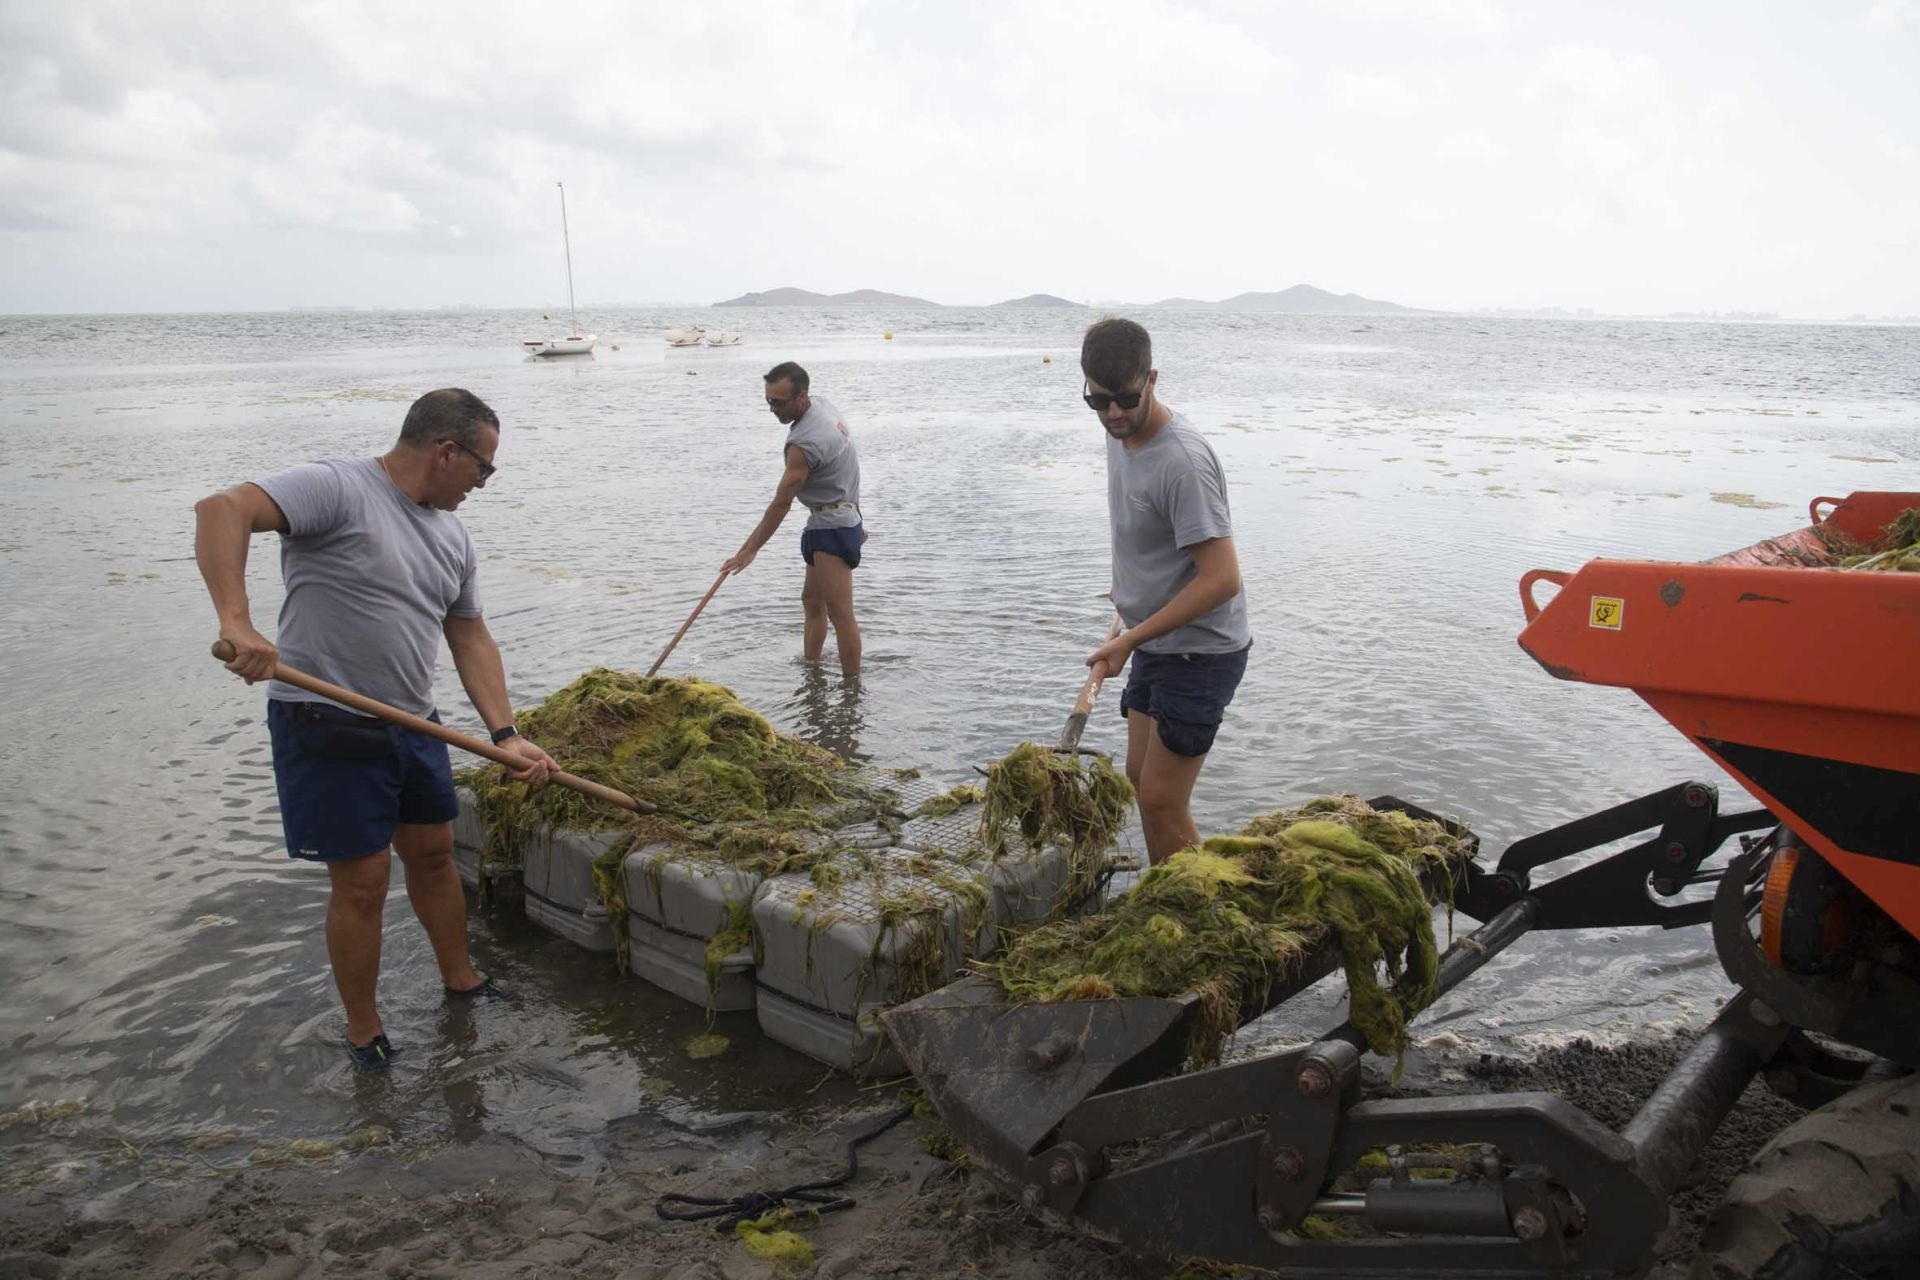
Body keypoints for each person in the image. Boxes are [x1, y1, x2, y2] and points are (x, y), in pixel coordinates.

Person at [193, 388, 555, 1072]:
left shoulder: (452, 536)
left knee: (434, 858)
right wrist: (237, 621)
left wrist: (505, 734)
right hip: (326, 721)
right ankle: (364, 1030)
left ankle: (462, 980)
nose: (483, 485)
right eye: (483, 470)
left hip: (415, 722)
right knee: (360, 884)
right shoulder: (338, 488)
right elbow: (222, 509)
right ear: (447, 452)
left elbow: (469, 634)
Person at [1079, 319, 1251, 865]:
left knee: (1160, 800)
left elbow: (1222, 580)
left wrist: (1130, 639)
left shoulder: (1182, 462)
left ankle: (1206, 920)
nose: (1113, 415)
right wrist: (1130, 592)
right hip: (1155, 640)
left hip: (1200, 651)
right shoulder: (1121, 433)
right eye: (1099, 402)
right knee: (1139, 780)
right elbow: (1145, 535)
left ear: (1152, 378)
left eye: (1127, 399)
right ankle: (1168, 892)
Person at [720, 362, 865, 676]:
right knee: (812, 601)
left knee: (840, 614)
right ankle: (812, 672)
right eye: (769, 401)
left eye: (779, 402)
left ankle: (852, 690)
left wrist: (750, 549)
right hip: (833, 518)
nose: (773, 409)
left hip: (833, 526)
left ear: (802, 396)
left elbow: (781, 502)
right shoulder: (823, 407)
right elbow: (846, 466)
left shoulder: (804, 444)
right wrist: (857, 513)